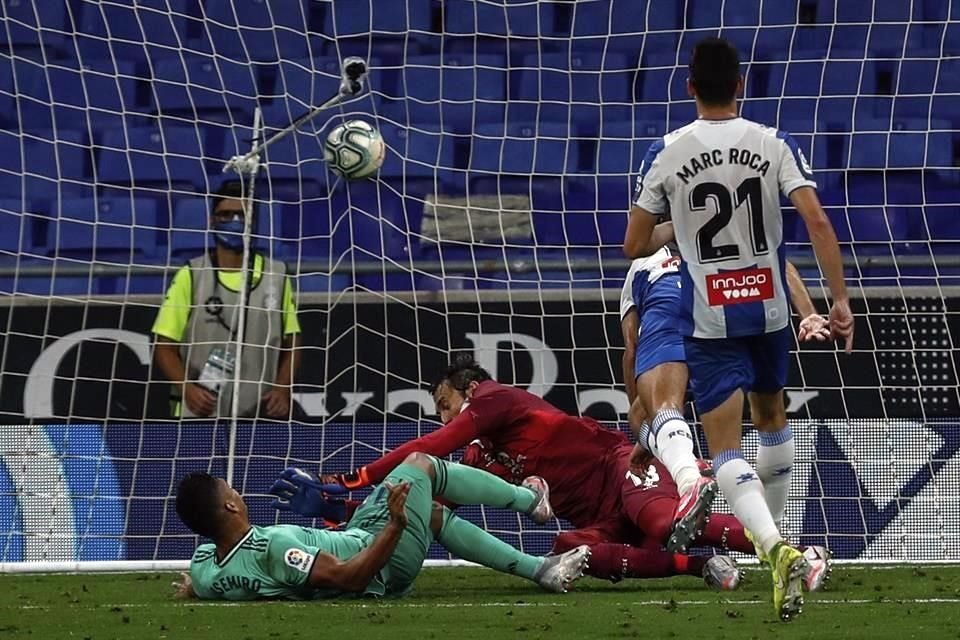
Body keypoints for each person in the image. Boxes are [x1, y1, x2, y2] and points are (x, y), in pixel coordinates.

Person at [622, 37, 853, 621]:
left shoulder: (667, 151)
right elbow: (818, 221)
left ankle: (775, 552)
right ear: (743, 86)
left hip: (711, 316)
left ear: (690, 86)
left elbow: (632, 245)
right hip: (773, 310)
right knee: (772, 420)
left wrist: (680, 225)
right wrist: (839, 301)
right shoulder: (773, 142)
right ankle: (778, 559)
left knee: (724, 447)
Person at [277, 357, 833, 591]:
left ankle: (799, 552)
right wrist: (342, 508)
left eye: (445, 402)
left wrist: (354, 477)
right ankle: (698, 565)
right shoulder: (490, 456)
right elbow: (424, 497)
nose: (445, 416)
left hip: (621, 469)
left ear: (468, 391)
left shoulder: (494, 400)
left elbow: (432, 445)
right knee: (570, 548)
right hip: (597, 514)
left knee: (658, 517)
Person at [619, 250, 831, 554]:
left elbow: (631, 347)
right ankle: (772, 537)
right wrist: (808, 313)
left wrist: (649, 430)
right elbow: (782, 264)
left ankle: (690, 476)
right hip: (727, 313)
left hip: (670, 314)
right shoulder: (726, 239)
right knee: (767, 419)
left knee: (651, 410)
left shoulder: (641, 266)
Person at [171, 452, 591, 601]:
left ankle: (541, 569)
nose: (237, 491)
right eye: (231, 488)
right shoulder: (275, 545)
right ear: (229, 504)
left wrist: (195, 587)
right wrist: (392, 526)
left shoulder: (208, 567)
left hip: (361, 537)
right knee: (423, 465)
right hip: (378, 557)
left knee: (433, 515)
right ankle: (529, 499)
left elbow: (204, 578)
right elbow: (348, 578)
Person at [152, 181, 301, 419]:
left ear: (253, 223)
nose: (234, 222)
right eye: (225, 215)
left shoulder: (277, 275)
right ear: (212, 221)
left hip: (258, 416)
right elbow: (164, 346)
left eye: (242, 215)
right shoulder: (190, 275)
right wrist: (187, 389)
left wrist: (283, 388)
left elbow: (292, 342)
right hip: (199, 414)